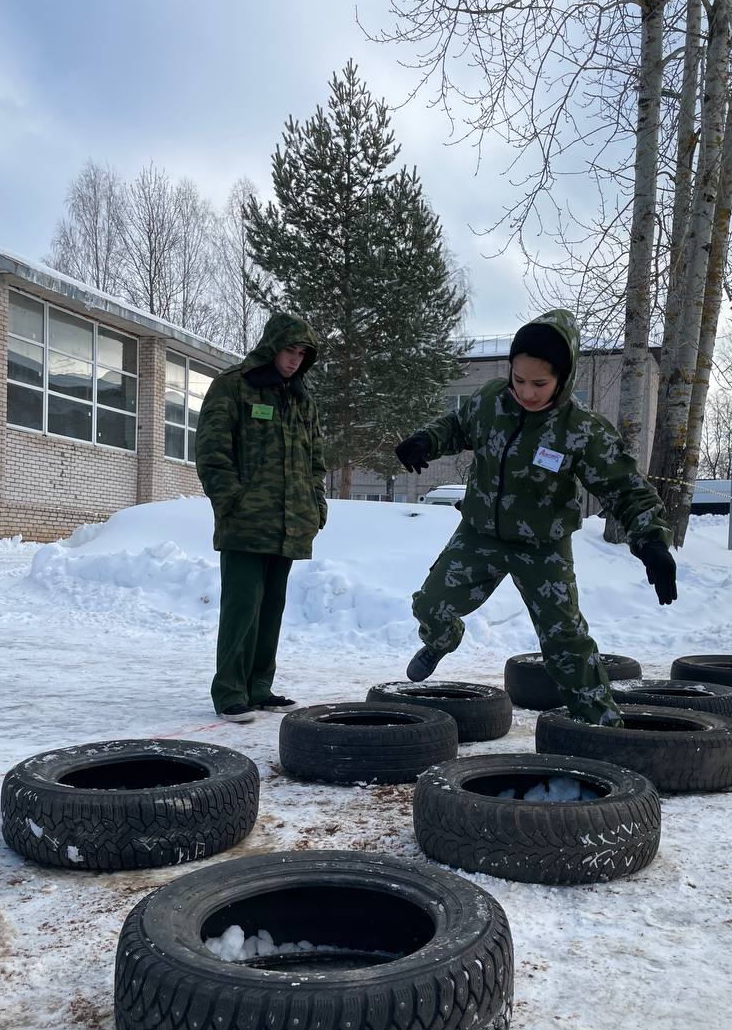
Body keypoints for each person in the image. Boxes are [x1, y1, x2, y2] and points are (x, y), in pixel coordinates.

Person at [395, 308, 677, 726]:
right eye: (519, 379)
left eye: (539, 383)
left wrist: (651, 539)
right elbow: (458, 425)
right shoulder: (491, 400)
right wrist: (426, 441)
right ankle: (442, 640)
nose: (526, 392)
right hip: (480, 536)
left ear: (564, 378)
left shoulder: (581, 430)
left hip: (543, 548)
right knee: (431, 605)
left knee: (565, 640)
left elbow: (625, 488)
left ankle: (602, 723)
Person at [195, 313, 327, 722]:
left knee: (271, 608)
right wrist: (231, 501)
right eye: (290, 350)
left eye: (302, 354)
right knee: (242, 608)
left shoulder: (301, 398)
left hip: (290, 522)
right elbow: (212, 451)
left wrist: (317, 503)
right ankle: (230, 691)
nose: (294, 360)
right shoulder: (233, 386)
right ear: (272, 346)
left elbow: (315, 459)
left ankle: (259, 687)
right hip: (246, 522)